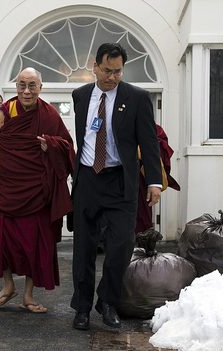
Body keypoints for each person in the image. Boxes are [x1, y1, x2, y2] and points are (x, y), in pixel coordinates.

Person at [0, 67, 75, 312]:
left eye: (32, 85)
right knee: (0, 238)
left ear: (40, 88)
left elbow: (67, 147)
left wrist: (51, 146)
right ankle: (8, 286)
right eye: (21, 85)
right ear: (16, 87)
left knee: (33, 241)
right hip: (6, 186)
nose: (26, 91)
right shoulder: (6, 110)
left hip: (35, 190)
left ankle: (29, 296)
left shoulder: (50, 114)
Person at [70, 43, 162, 330]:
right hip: (87, 178)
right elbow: (84, 135)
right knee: (83, 247)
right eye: (107, 70)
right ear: (95, 66)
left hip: (120, 180)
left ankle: (107, 302)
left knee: (121, 246)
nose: (112, 77)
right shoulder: (81, 95)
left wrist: (155, 181)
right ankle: (82, 307)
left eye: (118, 71)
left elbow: (148, 141)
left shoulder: (136, 97)